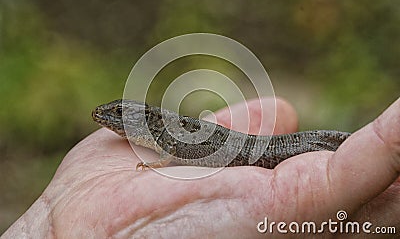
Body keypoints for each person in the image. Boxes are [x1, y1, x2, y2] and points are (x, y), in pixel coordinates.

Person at [3, 97, 399, 238]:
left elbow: (173, 151)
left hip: (270, 150)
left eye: (118, 117)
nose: (108, 119)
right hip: (261, 150)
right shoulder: (158, 134)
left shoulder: (162, 136)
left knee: (330, 150)